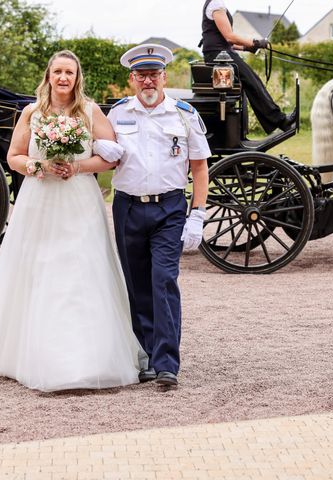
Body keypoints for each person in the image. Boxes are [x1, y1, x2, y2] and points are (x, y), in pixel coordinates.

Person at [0, 50, 145, 392]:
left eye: (69, 72)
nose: (64, 78)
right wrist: (41, 167)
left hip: (79, 199)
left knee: (81, 268)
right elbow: (14, 157)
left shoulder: (91, 111)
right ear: (49, 76)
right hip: (40, 200)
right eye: (58, 72)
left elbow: (110, 158)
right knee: (39, 267)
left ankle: (89, 357)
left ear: (77, 77)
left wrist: (77, 166)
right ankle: (33, 353)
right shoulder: (32, 112)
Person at [107, 44, 211, 387]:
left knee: (163, 280)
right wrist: (97, 148)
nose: (148, 81)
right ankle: (147, 356)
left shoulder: (184, 115)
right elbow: (105, 160)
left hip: (169, 208)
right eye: (141, 75)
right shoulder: (118, 114)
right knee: (136, 285)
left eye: (154, 74)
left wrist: (197, 215)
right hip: (128, 208)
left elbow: (199, 167)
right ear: (132, 79)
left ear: (164, 77)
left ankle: (167, 362)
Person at [200, 0, 296, 133]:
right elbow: (229, 37)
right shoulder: (216, 4)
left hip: (221, 54)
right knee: (252, 82)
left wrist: (248, 47)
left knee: (253, 81)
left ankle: (278, 120)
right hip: (219, 56)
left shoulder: (215, 4)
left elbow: (227, 42)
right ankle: (280, 121)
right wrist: (255, 42)